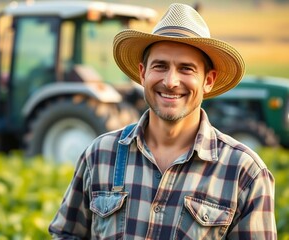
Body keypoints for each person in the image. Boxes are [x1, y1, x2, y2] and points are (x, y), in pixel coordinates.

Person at [49, 3, 276, 239]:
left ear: (208, 80)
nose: (170, 81)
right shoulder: (99, 155)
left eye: (186, 69)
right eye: (160, 66)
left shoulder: (244, 172)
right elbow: (66, 234)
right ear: (142, 72)